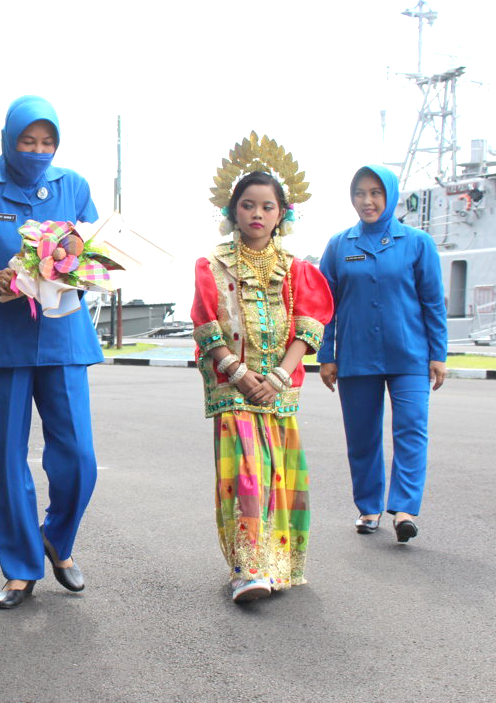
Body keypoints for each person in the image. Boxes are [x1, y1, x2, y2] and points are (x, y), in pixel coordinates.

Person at [0, 96, 102, 609]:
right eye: (28, 141)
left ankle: (56, 539)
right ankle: (20, 568)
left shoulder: (74, 187)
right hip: (3, 338)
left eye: (47, 143)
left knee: (80, 459)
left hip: (64, 337)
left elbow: (95, 251)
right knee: (7, 458)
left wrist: (75, 271)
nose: (38, 151)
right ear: (8, 138)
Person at [191, 157, 333, 604]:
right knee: (246, 476)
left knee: (281, 476)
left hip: (279, 389)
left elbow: (309, 329)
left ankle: (282, 567)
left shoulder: (297, 269)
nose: (257, 214)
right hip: (233, 389)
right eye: (248, 205)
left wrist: (276, 377)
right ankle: (248, 570)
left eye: (267, 207)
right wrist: (237, 372)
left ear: (282, 214)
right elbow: (207, 324)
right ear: (232, 210)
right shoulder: (211, 264)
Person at [317, 164, 447, 543]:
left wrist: (437, 353)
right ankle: (369, 507)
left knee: (411, 430)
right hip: (357, 357)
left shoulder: (417, 242)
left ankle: (404, 509)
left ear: (389, 195)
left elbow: (433, 302)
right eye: (360, 193)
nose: (367, 201)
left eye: (375, 192)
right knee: (362, 436)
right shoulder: (340, 245)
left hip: (409, 355)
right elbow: (324, 306)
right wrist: (327, 354)